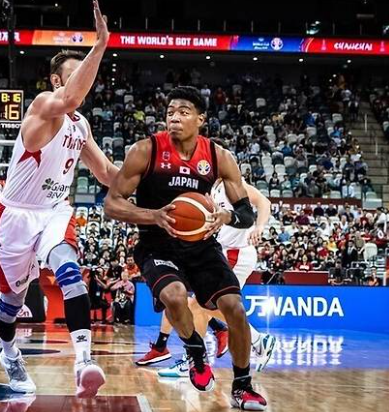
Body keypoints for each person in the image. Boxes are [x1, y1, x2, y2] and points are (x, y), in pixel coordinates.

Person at [104, 86, 266, 409]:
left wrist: (227, 216)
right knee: (175, 296)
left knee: (234, 307)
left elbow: (247, 213)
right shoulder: (146, 151)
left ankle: (242, 386)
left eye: (184, 112)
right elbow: (112, 203)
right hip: (157, 243)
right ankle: (195, 350)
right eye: (170, 113)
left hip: (201, 245)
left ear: (201, 119)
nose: (174, 118)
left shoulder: (219, 157)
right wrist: (152, 215)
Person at [0, 1, 116, 396]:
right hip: (15, 215)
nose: (83, 80)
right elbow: (70, 99)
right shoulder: (44, 104)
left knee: (69, 269)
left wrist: (152, 184)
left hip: (55, 212)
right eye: (75, 74)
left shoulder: (81, 125)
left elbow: (106, 173)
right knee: (10, 303)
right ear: (56, 80)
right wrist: (101, 44)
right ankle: (10, 354)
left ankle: (84, 362)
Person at [141, 175, 276, 379]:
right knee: (200, 306)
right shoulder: (213, 188)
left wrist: (259, 227)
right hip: (221, 250)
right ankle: (251, 342)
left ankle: (196, 361)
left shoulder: (235, 184)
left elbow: (264, 202)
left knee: (198, 305)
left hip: (236, 253)